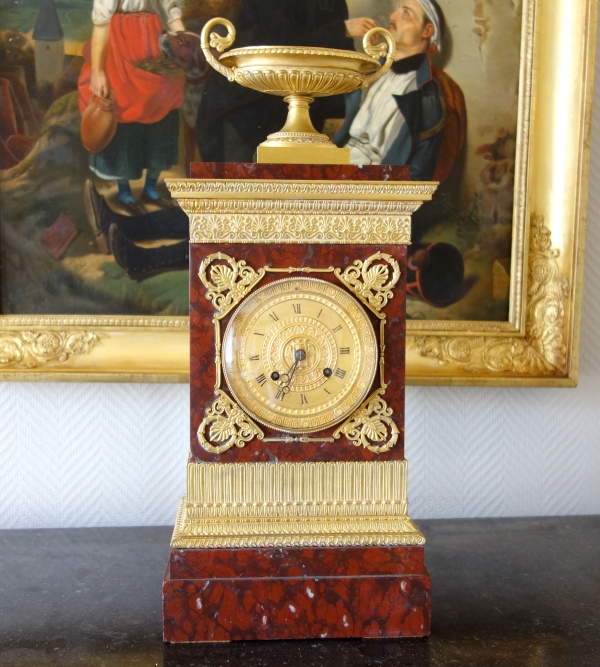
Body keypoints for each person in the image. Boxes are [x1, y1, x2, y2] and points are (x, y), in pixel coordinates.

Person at [195, 0, 379, 162]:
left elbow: (338, 59)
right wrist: (342, 30)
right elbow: (281, 46)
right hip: (247, 109)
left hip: (302, 112)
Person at [78, 0, 186, 215]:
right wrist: (99, 72)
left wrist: (186, 41)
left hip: (153, 42)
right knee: (123, 112)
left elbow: (169, 9)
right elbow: (101, 23)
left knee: (165, 106)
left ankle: (150, 189)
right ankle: (125, 193)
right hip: (118, 45)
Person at [334, 0, 462, 181]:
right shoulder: (371, 73)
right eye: (398, 10)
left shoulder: (426, 94)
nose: (393, 17)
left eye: (406, 13)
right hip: (337, 169)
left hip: (371, 185)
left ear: (427, 31)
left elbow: (419, 174)